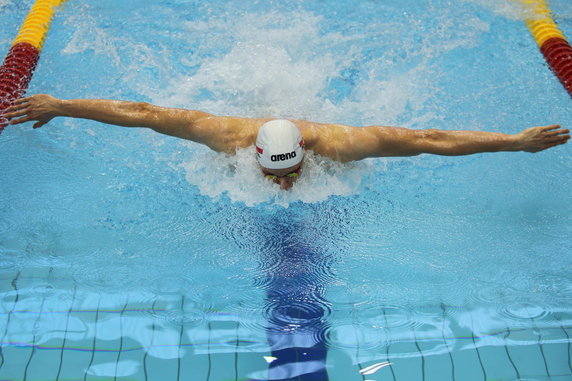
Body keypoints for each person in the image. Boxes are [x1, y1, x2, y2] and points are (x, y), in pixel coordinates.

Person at [3, 94, 569, 189]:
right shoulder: (222, 136)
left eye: (290, 171)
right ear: (253, 156)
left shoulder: (343, 145)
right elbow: (146, 113)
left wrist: (514, 143)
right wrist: (63, 106)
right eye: (276, 175)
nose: (287, 182)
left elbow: (428, 138)